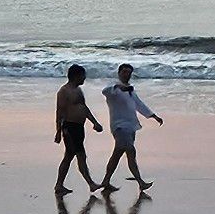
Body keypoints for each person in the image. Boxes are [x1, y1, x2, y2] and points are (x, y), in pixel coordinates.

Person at [98, 63, 162, 193]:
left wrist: (153, 116)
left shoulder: (130, 90)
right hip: (119, 126)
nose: (127, 75)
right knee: (131, 152)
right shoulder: (113, 89)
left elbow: (139, 104)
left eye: (129, 72)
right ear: (119, 73)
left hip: (131, 126)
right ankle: (140, 182)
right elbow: (105, 91)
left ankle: (106, 181)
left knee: (117, 155)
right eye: (124, 72)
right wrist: (118, 87)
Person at [54, 64, 104, 194]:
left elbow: (84, 108)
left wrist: (95, 122)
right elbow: (59, 112)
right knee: (80, 155)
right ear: (76, 76)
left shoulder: (78, 90)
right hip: (69, 127)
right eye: (83, 75)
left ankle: (59, 185)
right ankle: (91, 183)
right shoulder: (64, 91)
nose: (85, 78)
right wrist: (58, 132)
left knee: (69, 156)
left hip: (79, 127)